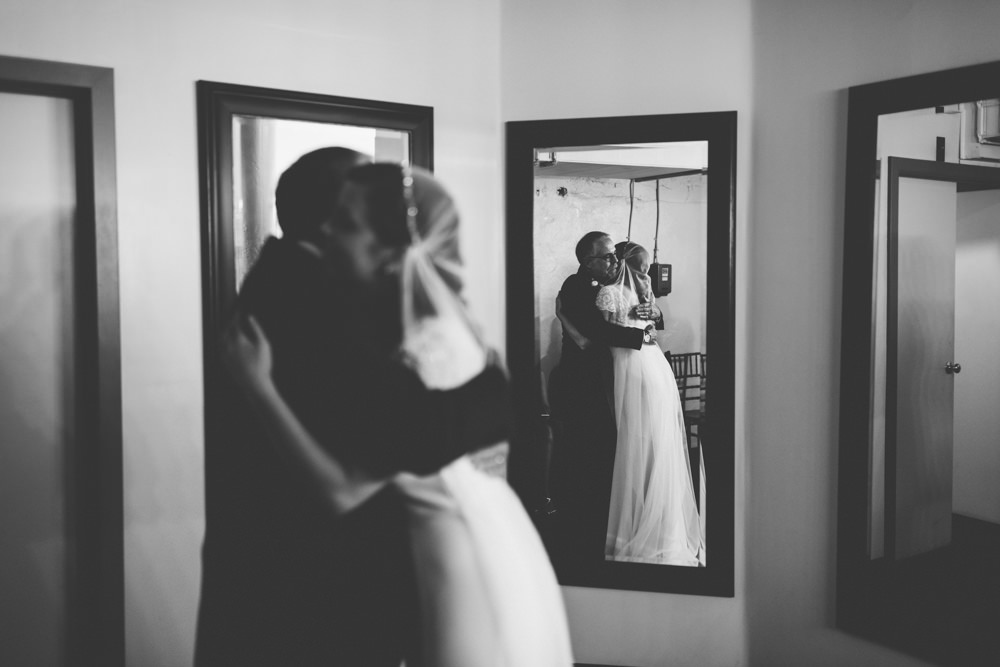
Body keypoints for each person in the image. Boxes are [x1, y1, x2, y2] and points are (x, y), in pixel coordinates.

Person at [195, 149, 514, 666]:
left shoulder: (301, 284)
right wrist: (494, 391)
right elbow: (396, 445)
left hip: (309, 561)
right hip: (309, 576)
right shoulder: (311, 298)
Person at [547, 231, 661, 567]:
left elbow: (645, 312)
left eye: (615, 255)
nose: (615, 261)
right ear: (588, 261)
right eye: (607, 256)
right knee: (590, 457)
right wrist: (642, 336)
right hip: (584, 386)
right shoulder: (575, 287)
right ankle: (585, 536)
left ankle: (612, 525)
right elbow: (592, 335)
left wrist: (651, 315)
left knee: (614, 454)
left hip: (612, 380)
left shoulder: (614, 283)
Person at [597, 241, 705, 566]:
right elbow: (654, 334)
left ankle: (635, 529)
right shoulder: (646, 295)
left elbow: (600, 339)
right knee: (658, 445)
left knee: (635, 446)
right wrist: (653, 320)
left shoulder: (608, 294)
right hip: (657, 369)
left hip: (632, 369)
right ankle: (663, 528)